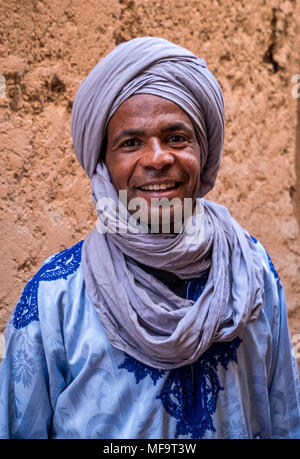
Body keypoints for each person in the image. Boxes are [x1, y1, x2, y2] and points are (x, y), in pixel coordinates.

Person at [0, 36, 299, 440]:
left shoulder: (252, 270)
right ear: (103, 163)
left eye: (176, 137)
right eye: (131, 143)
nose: (158, 158)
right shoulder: (56, 300)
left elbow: (285, 420)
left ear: (203, 150)